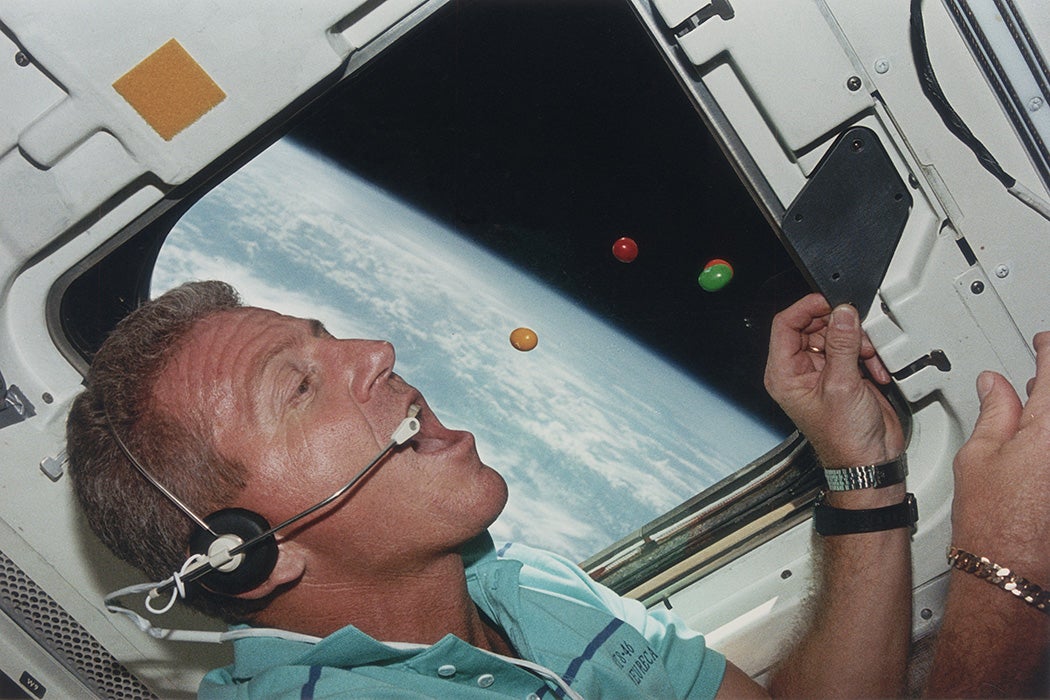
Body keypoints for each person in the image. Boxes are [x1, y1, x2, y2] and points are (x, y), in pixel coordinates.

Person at [65, 281, 1048, 697]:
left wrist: (861, 466)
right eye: (299, 382)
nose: (377, 350)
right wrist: (1011, 567)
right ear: (248, 552)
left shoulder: (512, 585)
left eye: (332, 336)